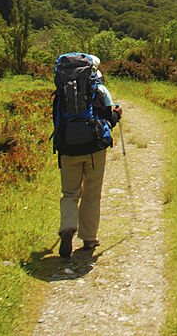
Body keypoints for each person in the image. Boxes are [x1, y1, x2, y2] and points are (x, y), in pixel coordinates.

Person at [57, 54, 122, 258]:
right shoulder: (99, 90)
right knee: (91, 194)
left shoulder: (61, 93)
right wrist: (117, 115)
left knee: (70, 193)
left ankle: (68, 227)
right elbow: (108, 119)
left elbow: (57, 122)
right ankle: (88, 238)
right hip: (94, 149)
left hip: (68, 148)